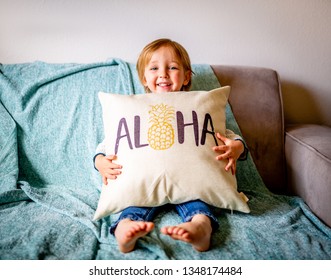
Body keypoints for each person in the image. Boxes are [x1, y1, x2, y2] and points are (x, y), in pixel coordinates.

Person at [94, 38, 247, 253]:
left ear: (186, 77)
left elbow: (226, 135)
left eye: (173, 67)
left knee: (199, 204)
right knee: (132, 206)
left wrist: (237, 147)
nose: (163, 74)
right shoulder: (133, 109)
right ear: (144, 78)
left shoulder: (200, 107)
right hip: (143, 182)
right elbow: (110, 142)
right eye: (154, 68)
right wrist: (100, 160)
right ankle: (125, 229)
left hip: (193, 182)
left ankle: (200, 227)